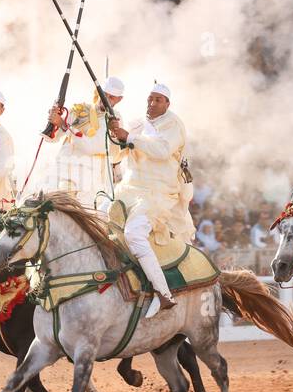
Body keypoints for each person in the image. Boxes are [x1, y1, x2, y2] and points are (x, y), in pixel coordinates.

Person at [107, 82, 190, 316]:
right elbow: (116, 155)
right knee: (98, 217)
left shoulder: (173, 124)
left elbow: (162, 151)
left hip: (158, 193)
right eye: (149, 99)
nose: (152, 104)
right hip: (128, 189)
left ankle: (163, 293)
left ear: (167, 104)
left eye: (157, 100)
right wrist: (113, 133)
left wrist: (129, 136)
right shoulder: (137, 124)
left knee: (134, 233)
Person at [44, 76, 124, 206]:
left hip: (89, 180)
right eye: (104, 95)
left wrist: (64, 125)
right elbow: (52, 138)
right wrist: (53, 120)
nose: (105, 100)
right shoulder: (78, 109)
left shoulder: (114, 120)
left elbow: (91, 146)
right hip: (63, 171)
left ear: (119, 99)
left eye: (111, 97)